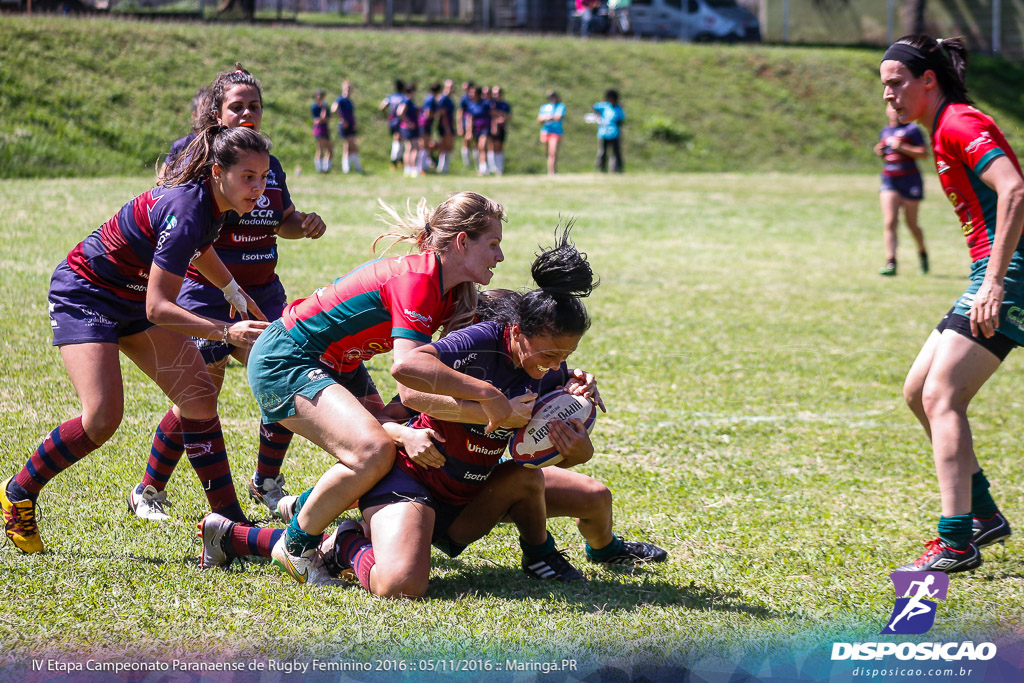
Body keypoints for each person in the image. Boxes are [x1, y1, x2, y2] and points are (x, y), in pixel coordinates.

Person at [1, 125, 273, 554]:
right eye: (248, 177)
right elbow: (158, 308)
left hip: (129, 297)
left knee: (197, 394)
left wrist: (235, 293)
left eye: (263, 177)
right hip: (86, 294)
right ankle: (17, 492)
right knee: (103, 418)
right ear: (218, 172)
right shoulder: (188, 210)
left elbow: (201, 250)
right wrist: (226, 330)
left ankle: (229, 523)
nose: (258, 188)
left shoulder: (211, 203)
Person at [316, 228, 610, 596]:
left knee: (564, 488)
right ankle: (345, 541)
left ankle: (549, 555)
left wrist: (578, 451)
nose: (555, 367)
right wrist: (489, 400)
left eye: (565, 358)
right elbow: (405, 374)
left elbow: (529, 452)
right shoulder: (480, 342)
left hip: (467, 498)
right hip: (415, 480)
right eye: (549, 355)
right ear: (517, 332)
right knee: (401, 585)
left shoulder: (550, 372)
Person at [243, 191, 508, 583]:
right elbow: (408, 368)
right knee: (373, 450)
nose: (500, 257)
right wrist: (488, 396)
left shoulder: (453, 292)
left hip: (338, 362)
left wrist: (562, 379)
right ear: (462, 242)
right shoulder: (418, 279)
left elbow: (485, 347)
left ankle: (293, 509)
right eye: (493, 244)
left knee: (388, 457)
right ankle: (295, 546)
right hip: (287, 356)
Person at [129, 64, 328, 522]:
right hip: (204, 290)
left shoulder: (267, 163)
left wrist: (305, 224)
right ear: (217, 112)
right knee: (202, 390)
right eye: (236, 106)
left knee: (283, 375)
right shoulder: (195, 158)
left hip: (263, 289)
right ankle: (148, 489)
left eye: (254, 106)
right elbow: (175, 222)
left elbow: (283, 220)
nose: (246, 113)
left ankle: (266, 482)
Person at [882, 34, 1024, 573]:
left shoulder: (961, 122)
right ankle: (983, 512)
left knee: (942, 394)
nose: (889, 96)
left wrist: (993, 285)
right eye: (884, 87)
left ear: (928, 80)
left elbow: (1014, 191)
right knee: (919, 391)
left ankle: (956, 539)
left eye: (896, 83)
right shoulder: (941, 127)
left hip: (1011, 273)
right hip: (990, 270)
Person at [875, 102, 928, 276]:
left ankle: (922, 253)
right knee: (890, 221)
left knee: (911, 224)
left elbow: (924, 153)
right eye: (889, 107)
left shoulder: (912, 130)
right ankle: (891, 262)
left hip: (910, 180)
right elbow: (888, 154)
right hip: (890, 180)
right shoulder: (885, 131)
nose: (892, 111)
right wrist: (881, 151)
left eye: (895, 108)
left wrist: (902, 147)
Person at [160, 86, 211, 177]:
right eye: (203, 109)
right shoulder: (181, 145)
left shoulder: (223, 144)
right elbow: (161, 179)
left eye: (211, 108)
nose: (207, 113)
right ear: (195, 115)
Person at [331, 79, 363, 174]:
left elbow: (352, 114)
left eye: (350, 88)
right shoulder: (341, 99)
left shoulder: (350, 101)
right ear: (343, 88)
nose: (349, 90)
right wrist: (342, 119)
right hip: (344, 126)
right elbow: (334, 109)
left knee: (353, 146)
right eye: (347, 87)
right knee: (348, 146)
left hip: (351, 126)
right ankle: (347, 168)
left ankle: (355, 167)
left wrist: (355, 122)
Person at [593, 89, 625, 173]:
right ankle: (601, 169)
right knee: (602, 152)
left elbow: (621, 120)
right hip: (603, 133)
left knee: (616, 153)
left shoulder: (618, 108)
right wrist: (598, 116)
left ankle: (616, 170)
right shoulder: (604, 106)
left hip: (615, 133)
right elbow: (594, 107)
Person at [538, 90, 566, 176]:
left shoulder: (560, 106)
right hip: (545, 131)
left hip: (556, 132)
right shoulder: (544, 107)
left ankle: (552, 172)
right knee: (547, 153)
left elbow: (558, 117)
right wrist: (550, 117)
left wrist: (547, 117)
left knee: (552, 152)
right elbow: (539, 119)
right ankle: (550, 170)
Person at [397, 83, 422, 178]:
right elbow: (400, 112)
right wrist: (408, 123)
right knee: (415, 147)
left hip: (406, 128)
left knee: (408, 148)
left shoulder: (407, 100)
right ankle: (413, 169)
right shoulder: (407, 101)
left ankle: (407, 169)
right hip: (410, 128)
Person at [380, 79, 406, 170]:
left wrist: (386, 116)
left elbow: (382, 106)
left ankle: (396, 160)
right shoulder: (403, 98)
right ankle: (395, 160)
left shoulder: (391, 97)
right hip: (400, 121)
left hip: (392, 121)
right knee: (399, 140)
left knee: (396, 140)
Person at [418, 82, 441, 174]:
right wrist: (436, 114)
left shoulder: (429, 97)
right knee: (424, 146)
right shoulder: (431, 99)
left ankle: (423, 167)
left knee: (426, 146)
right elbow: (428, 113)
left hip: (425, 124)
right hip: (425, 124)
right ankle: (421, 168)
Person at [488, 85, 512, 176]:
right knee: (490, 146)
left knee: (499, 147)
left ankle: (499, 169)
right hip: (490, 127)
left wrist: (503, 119)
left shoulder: (505, 105)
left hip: (501, 128)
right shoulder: (490, 104)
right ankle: (491, 168)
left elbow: (508, 116)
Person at [435, 80, 457, 175]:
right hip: (445, 126)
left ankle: (445, 168)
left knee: (448, 148)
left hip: (449, 125)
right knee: (445, 147)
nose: (450, 89)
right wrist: (447, 128)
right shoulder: (443, 99)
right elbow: (443, 115)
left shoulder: (449, 99)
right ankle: (442, 168)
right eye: (448, 87)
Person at [311, 89, 333, 173]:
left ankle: (326, 168)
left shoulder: (325, 107)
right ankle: (320, 169)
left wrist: (324, 118)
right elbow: (319, 119)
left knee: (330, 149)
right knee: (320, 149)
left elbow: (328, 119)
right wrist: (323, 117)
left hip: (325, 129)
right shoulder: (315, 107)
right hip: (319, 129)